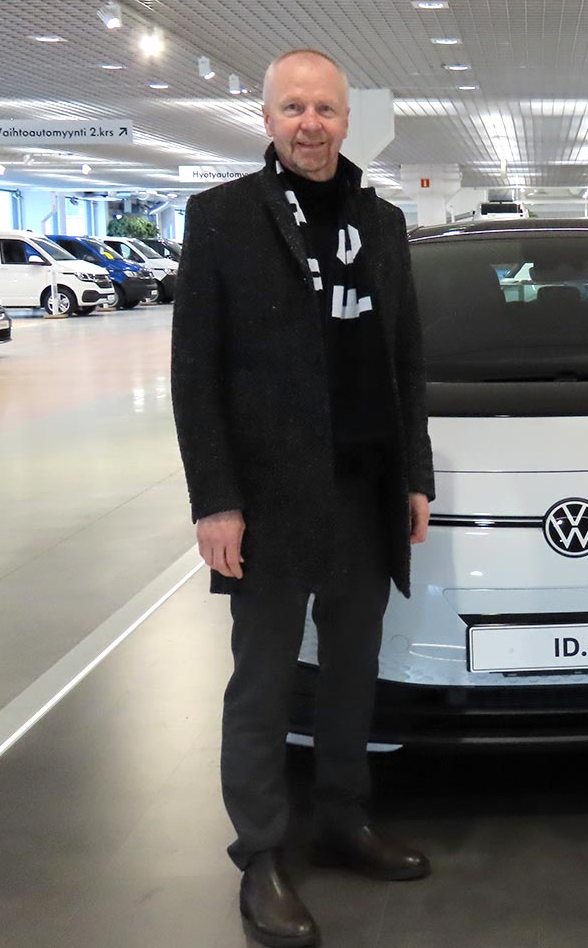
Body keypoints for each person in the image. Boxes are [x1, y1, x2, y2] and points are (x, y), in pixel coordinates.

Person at [171, 48, 434, 948]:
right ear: (268, 119)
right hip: (268, 499)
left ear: (347, 119)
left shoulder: (381, 221)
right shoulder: (223, 218)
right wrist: (215, 501)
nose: (310, 124)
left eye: (324, 108)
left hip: (364, 489)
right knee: (265, 681)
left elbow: (405, 359)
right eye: (293, 108)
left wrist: (414, 476)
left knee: (352, 670)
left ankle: (341, 819)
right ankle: (261, 857)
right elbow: (194, 373)